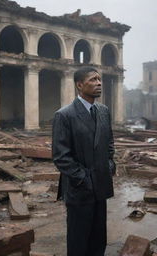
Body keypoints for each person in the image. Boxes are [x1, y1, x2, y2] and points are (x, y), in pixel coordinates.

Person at [52, 67, 116, 256]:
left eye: (99, 79)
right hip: (79, 187)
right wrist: (83, 178)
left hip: (101, 184)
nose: (99, 83)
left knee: (98, 237)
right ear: (80, 85)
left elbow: (109, 143)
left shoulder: (103, 111)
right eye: (93, 80)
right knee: (79, 239)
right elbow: (60, 156)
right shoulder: (64, 115)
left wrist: (109, 165)